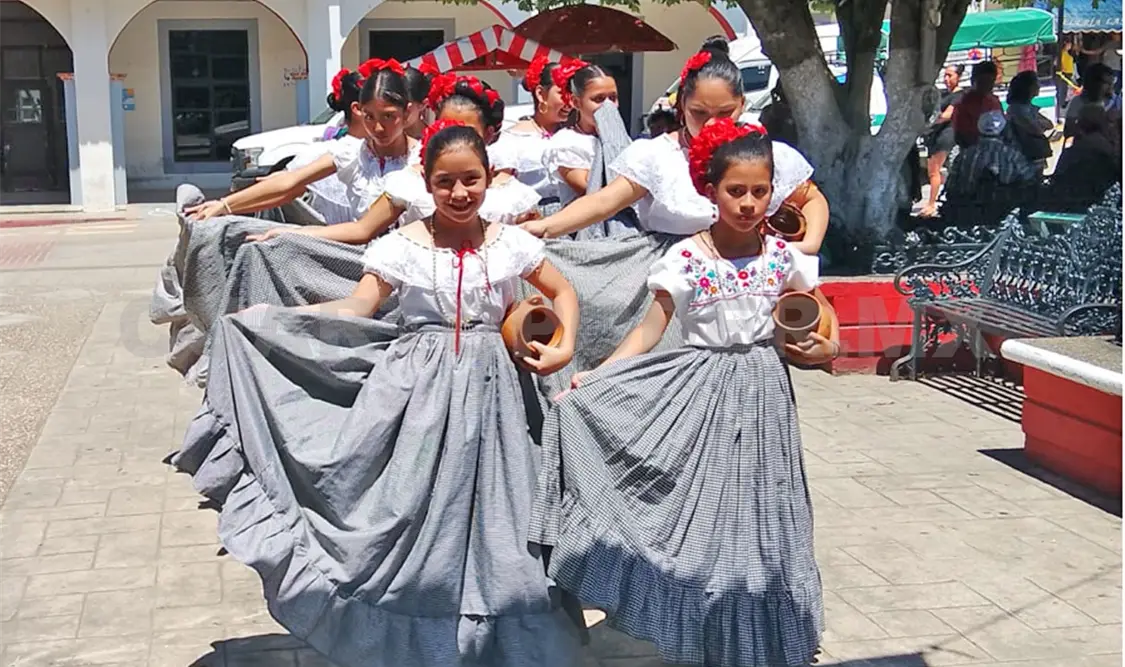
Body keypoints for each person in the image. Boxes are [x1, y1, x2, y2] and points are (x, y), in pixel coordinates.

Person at [172, 122, 583, 667]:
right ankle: (422, 635)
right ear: (426, 183)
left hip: (502, 398)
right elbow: (358, 307)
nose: (459, 192)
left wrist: (564, 346)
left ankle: (506, 639)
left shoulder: (511, 243)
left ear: (489, 178)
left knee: (505, 517)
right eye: (445, 181)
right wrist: (274, 319)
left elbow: (562, 290)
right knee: (409, 509)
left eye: (470, 179)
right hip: (420, 393)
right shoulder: (401, 247)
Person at [530, 117, 836, 667]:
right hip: (701, 391)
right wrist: (598, 376)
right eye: (735, 190)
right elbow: (650, 329)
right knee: (708, 516)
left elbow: (819, 318)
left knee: (766, 509)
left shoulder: (784, 256)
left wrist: (825, 346)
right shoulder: (686, 258)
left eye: (760, 191)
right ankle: (707, 628)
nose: (748, 203)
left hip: (766, 392)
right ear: (709, 190)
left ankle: (767, 633)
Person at [187, 58, 420, 222]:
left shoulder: (422, 158)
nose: (378, 127)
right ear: (357, 111)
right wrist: (224, 206)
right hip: (358, 254)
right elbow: (290, 183)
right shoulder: (351, 153)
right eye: (369, 117)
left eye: (388, 116)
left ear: (407, 112)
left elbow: (363, 231)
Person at [488, 57, 571, 212]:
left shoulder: (579, 134)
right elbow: (501, 186)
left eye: (572, 94)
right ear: (541, 94)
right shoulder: (511, 141)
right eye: (562, 93)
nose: (569, 101)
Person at [542, 60, 620, 208]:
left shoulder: (621, 138)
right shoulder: (567, 143)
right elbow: (590, 190)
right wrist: (608, 138)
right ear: (576, 102)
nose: (608, 106)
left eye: (613, 98)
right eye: (599, 99)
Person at [945, 111, 1037, 200]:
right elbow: (1029, 179)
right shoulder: (1012, 155)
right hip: (1003, 206)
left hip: (967, 205)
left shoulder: (965, 154)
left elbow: (951, 184)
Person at [1051, 104, 1122, 205]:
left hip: (1073, 198)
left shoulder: (1075, 147)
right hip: (1102, 197)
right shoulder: (1108, 143)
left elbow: (1058, 175)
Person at [920, 65, 965, 217]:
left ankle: (931, 204)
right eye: (945, 75)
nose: (946, 79)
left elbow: (947, 115)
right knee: (934, 171)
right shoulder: (943, 93)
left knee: (934, 170)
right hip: (935, 134)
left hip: (946, 134)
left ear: (958, 77)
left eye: (950, 75)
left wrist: (928, 123)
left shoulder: (959, 95)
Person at [1004, 70, 1054, 172]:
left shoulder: (1028, 108)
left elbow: (1049, 124)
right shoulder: (1017, 109)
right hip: (1022, 158)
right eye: (1036, 83)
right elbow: (1036, 129)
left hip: (1033, 155)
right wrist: (1039, 123)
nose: (1039, 86)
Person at [952, 60, 1002, 148]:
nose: (987, 86)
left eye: (990, 82)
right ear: (972, 81)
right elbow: (960, 136)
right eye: (982, 82)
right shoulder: (963, 104)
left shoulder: (995, 102)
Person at [1065, 63, 1115, 139]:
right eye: (1107, 83)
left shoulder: (1114, 101)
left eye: (1112, 82)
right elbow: (1067, 131)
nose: (1111, 87)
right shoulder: (1078, 102)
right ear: (1094, 83)